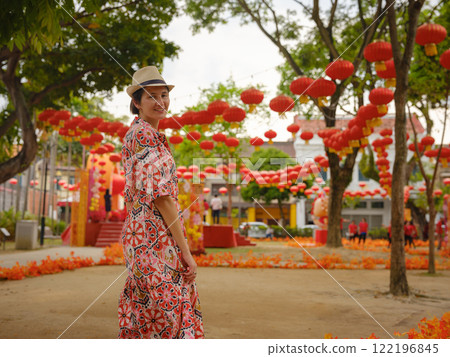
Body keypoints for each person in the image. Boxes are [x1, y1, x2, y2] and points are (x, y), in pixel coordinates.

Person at [119, 66, 204, 339]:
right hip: (152, 236)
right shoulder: (144, 136)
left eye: (164, 95)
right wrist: (186, 251)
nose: (160, 102)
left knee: (150, 311)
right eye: (151, 96)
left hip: (144, 234)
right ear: (136, 102)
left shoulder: (142, 134)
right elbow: (163, 199)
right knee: (167, 312)